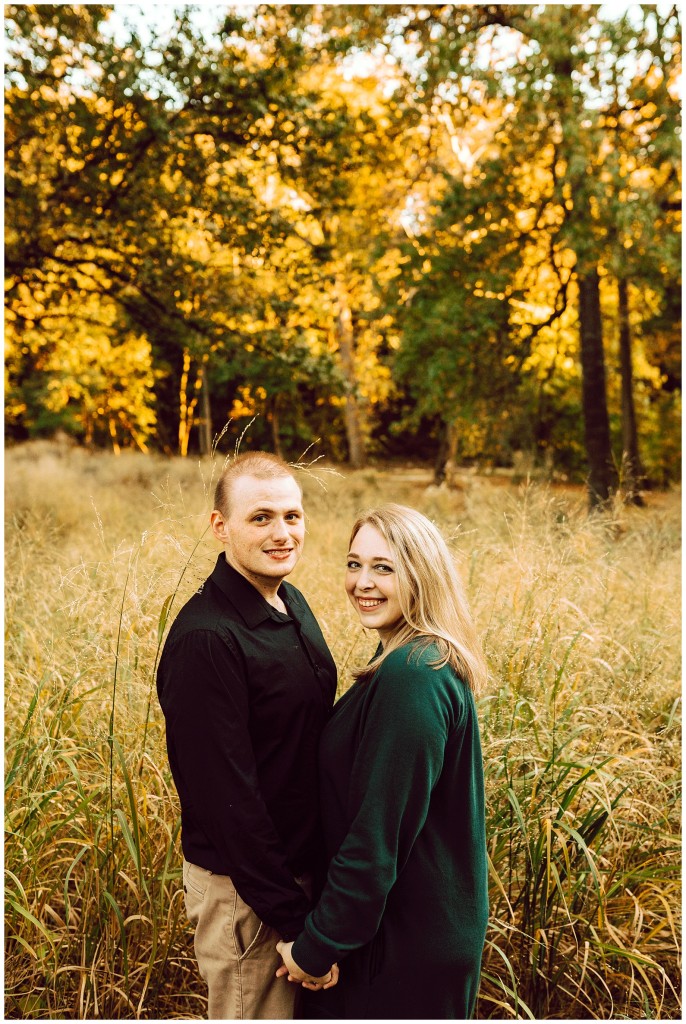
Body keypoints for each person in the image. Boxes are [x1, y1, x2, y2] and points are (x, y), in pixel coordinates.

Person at [276, 503, 489, 1020]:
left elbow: (377, 838)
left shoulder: (414, 675)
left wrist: (317, 946)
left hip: (401, 947)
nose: (362, 583)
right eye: (354, 564)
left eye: (384, 567)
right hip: (404, 934)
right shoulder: (405, 659)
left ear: (422, 574)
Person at [156, 452, 339, 1019]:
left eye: (293, 515)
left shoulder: (291, 602)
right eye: (261, 517)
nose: (283, 533)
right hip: (244, 895)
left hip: (299, 878)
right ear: (220, 526)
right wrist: (291, 923)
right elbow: (227, 802)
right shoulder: (207, 639)